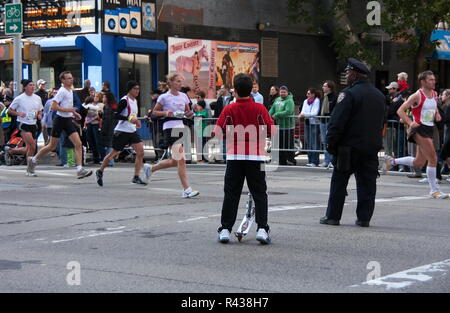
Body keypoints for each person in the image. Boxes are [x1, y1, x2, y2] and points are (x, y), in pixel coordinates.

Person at [320, 58, 386, 227]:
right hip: (370, 148)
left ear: (355, 74)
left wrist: (331, 144)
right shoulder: (379, 95)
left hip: (348, 148)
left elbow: (337, 122)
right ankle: (364, 218)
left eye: (348, 72)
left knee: (339, 182)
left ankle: (333, 216)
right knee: (367, 185)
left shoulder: (348, 94)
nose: (347, 75)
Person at [214, 73, 274, 244]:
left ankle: (225, 229)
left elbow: (217, 131)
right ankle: (262, 228)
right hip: (256, 156)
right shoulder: (260, 108)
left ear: (235, 91)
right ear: (251, 90)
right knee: (260, 193)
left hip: (235, 156)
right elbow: (271, 130)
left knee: (231, 193)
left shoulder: (229, 109)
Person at [384, 71, 449, 199]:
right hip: (419, 128)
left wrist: (436, 113)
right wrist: (410, 122)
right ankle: (434, 190)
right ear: (423, 82)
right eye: (430, 80)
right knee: (433, 158)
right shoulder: (416, 95)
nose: (433, 81)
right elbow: (400, 110)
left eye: (434, 79)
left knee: (419, 162)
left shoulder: (435, 94)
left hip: (430, 128)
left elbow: (433, 106)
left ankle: (392, 161)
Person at [27, 71, 92, 179]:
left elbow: (67, 106)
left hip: (68, 120)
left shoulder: (70, 90)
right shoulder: (62, 91)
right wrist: (70, 110)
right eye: (68, 78)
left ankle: (79, 169)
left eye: (71, 78)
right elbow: (54, 106)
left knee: (78, 143)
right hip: (59, 120)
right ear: (63, 80)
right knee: (51, 146)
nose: (71, 80)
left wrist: (74, 113)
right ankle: (33, 160)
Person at [146, 73, 200, 198]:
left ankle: (151, 169)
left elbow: (187, 113)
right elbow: (154, 113)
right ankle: (186, 189)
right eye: (177, 81)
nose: (180, 84)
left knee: (175, 161)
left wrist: (194, 111)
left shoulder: (184, 96)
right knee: (181, 159)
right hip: (169, 128)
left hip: (180, 127)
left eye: (181, 82)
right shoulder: (164, 97)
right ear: (170, 83)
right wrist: (165, 112)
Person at [95, 81, 148, 186]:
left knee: (141, 152)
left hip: (132, 131)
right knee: (113, 154)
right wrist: (129, 119)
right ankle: (100, 171)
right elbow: (116, 115)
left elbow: (133, 115)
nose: (137, 90)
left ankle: (136, 176)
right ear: (129, 89)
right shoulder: (124, 100)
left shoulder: (135, 101)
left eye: (138, 88)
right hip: (122, 131)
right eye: (135, 88)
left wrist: (136, 121)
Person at [7, 80, 43, 176]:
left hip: (33, 124)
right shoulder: (19, 98)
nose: (32, 87)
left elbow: (40, 110)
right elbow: (10, 110)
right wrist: (18, 113)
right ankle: (30, 168)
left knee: (29, 147)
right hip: (23, 124)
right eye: (30, 85)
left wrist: (40, 115)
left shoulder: (37, 98)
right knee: (32, 145)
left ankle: (10, 151)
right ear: (25, 87)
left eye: (33, 85)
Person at [269, 85, 296, 165]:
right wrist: (268, 115)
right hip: (278, 126)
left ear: (287, 92)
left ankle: (291, 160)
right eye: (281, 92)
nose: (282, 93)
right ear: (279, 92)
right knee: (279, 144)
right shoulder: (277, 99)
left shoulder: (289, 101)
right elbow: (272, 109)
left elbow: (288, 111)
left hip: (287, 126)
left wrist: (277, 114)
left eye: (284, 92)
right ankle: (281, 160)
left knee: (288, 144)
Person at [299, 88, 321, 167]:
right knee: (308, 142)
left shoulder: (317, 100)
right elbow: (303, 111)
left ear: (313, 94)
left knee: (314, 142)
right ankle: (310, 160)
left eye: (308, 93)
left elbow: (314, 112)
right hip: (307, 122)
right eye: (307, 93)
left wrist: (305, 115)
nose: (307, 95)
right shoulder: (305, 101)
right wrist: (303, 114)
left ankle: (315, 161)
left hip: (314, 123)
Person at [319, 80, 336, 168]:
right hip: (323, 121)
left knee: (330, 141)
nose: (323, 87)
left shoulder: (334, 97)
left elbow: (334, 110)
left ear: (329, 88)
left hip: (329, 121)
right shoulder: (324, 97)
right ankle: (326, 160)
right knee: (324, 141)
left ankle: (332, 161)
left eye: (325, 86)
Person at [83, 93, 103, 164]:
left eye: (97, 96)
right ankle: (95, 158)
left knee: (97, 141)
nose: (95, 97)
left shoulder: (100, 105)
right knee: (90, 140)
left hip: (96, 124)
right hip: (89, 124)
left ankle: (99, 158)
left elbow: (99, 114)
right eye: (94, 96)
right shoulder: (89, 105)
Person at [99, 92, 117, 166]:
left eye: (104, 97)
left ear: (107, 99)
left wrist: (103, 129)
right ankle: (109, 161)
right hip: (110, 128)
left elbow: (107, 120)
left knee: (109, 146)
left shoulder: (109, 108)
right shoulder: (106, 107)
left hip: (109, 129)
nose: (103, 99)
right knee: (108, 146)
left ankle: (110, 161)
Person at [194, 90, 208, 163]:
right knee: (198, 145)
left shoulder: (204, 112)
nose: (197, 107)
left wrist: (196, 114)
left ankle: (204, 158)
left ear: (201, 107)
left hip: (203, 131)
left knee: (203, 145)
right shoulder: (197, 112)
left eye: (198, 106)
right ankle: (199, 157)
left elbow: (201, 116)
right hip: (198, 131)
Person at [439, 89, 450, 182]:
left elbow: (446, 119)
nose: (441, 96)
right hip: (447, 131)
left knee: (444, 153)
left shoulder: (449, 107)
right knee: (445, 154)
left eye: (443, 95)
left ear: (448, 96)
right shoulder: (445, 106)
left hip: (449, 132)